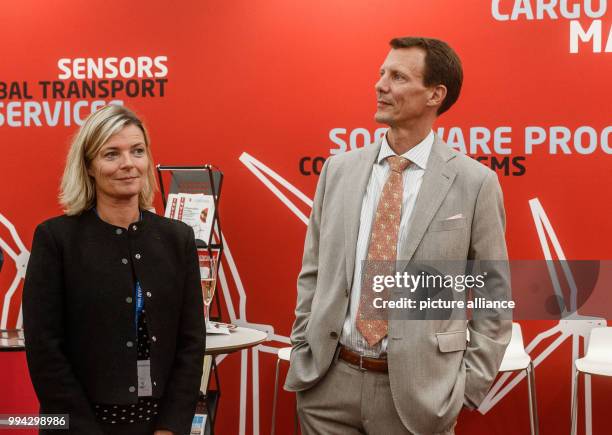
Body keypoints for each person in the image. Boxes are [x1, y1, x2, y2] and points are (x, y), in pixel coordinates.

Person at [285, 37, 512, 434]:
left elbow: (494, 294)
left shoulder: (476, 183)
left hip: (421, 396)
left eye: (397, 77)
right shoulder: (338, 171)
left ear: (434, 95)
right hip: (327, 388)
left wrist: (465, 388)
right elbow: (314, 271)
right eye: (381, 74)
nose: (380, 85)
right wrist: (305, 344)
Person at [23, 105, 205, 435]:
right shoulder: (55, 239)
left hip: (157, 424)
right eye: (111, 154)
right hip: (78, 426)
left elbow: (191, 343)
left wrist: (170, 427)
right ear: (89, 166)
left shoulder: (177, 238)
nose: (128, 164)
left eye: (137, 151)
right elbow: (45, 349)